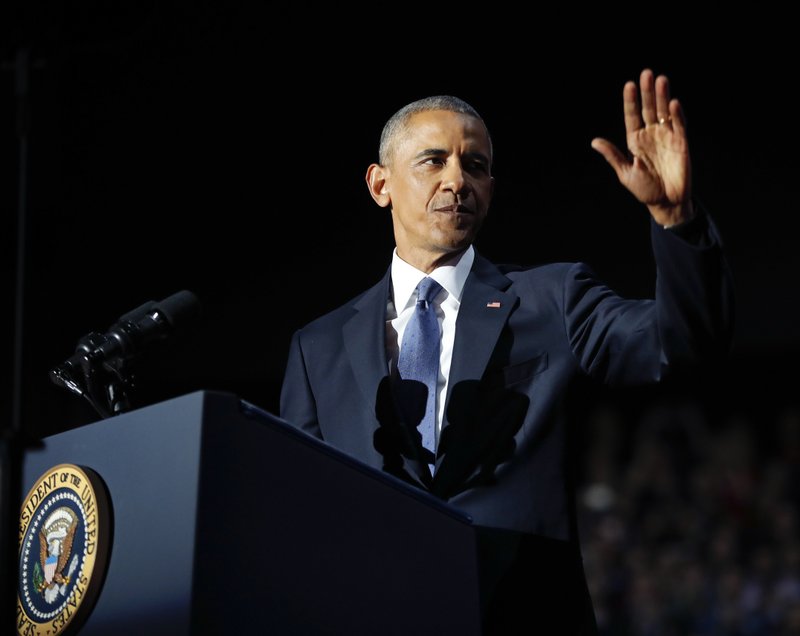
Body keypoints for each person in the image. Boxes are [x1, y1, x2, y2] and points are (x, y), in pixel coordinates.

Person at [279, 68, 734, 634]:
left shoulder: (553, 299)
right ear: (380, 185)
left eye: (476, 166)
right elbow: (295, 510)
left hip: (522, 613)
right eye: (433, 161)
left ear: (491, 188)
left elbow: (678, 346)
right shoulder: (317, 348)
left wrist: (678, 223)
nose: (457, 181)